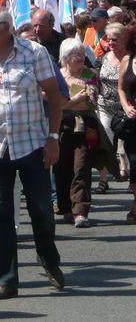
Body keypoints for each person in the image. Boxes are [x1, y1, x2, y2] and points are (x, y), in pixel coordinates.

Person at [0, 6, 65, 300]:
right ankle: (6, 279)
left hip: (32, 143)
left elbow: (54, 97)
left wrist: (53, 138)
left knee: (41, 208)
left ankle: (48, 257)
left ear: (6, 27)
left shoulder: (35, 52)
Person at [56, 39, 108, 228]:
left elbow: (90, 101)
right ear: (66, 58)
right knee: (62, 167)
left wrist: (66, 103)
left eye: (82, 53)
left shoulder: (90, 74)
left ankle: (81, 211)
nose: (80, 58)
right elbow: (54, 103)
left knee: (81, 167)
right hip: (62, 126)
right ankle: (66, 208)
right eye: (76, 54)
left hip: (86, 127)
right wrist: (73, 100)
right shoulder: (58, 76)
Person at [96, 23, 130, 192]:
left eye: (114, 39)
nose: (110, 43)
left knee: (126, 147)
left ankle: (127, 171)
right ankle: (103, 179)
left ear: (124, 39)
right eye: (108, 39)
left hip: (126, 109)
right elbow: (93, 78)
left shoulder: (130, 59)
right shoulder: (102, 58)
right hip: (105, 107)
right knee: (104, 143)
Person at [117, 33, 136, 222]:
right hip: (133, 123)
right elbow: (121, 88)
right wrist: (126, 106)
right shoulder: (127, 60)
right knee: (135, 164)